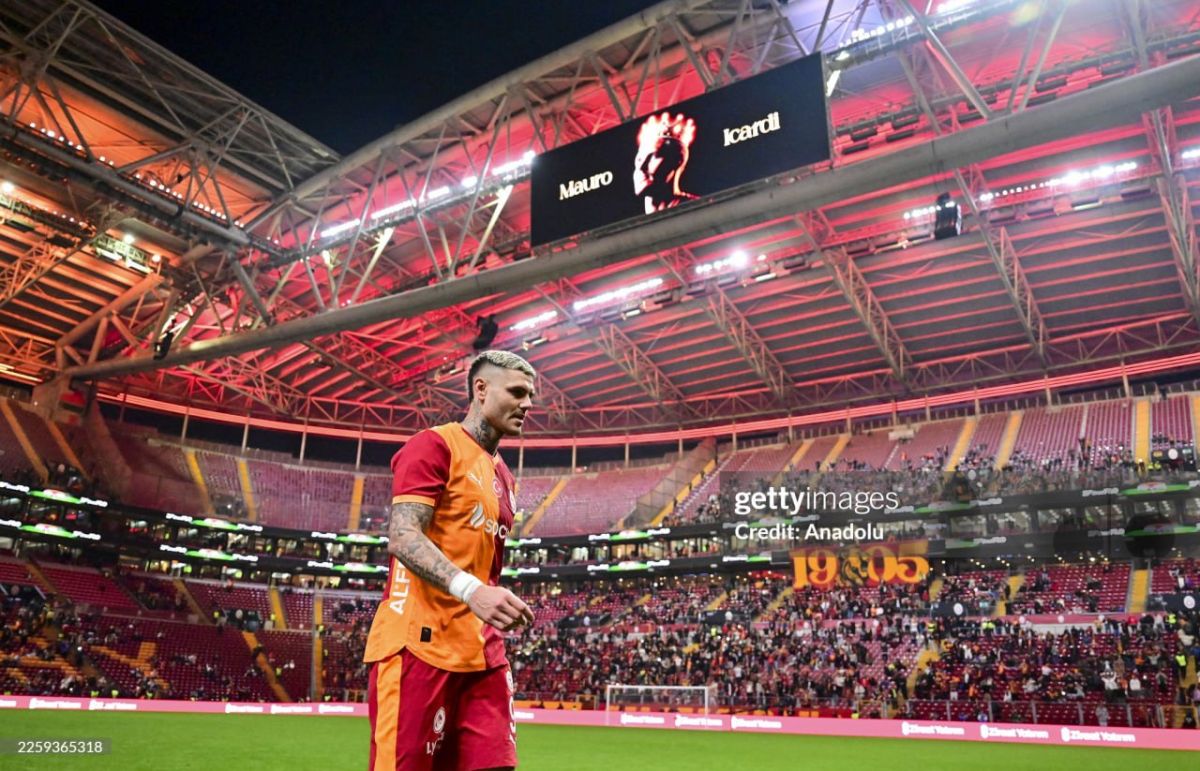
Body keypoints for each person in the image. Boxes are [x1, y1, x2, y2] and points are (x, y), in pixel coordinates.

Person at [364, 350, 536, 771]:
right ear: (481, 389)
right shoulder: (435, 445)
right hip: (417, 645)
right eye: (517, 392)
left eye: (530, 395)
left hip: (482, 653)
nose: (527, 404)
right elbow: (403, 535)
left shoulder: (505, 477)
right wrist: (472, 590)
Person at [633, 111, 698, 213]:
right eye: (639, 159)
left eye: (653, 156)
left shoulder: (697, 209)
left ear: (677, 161)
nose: (641, 167)